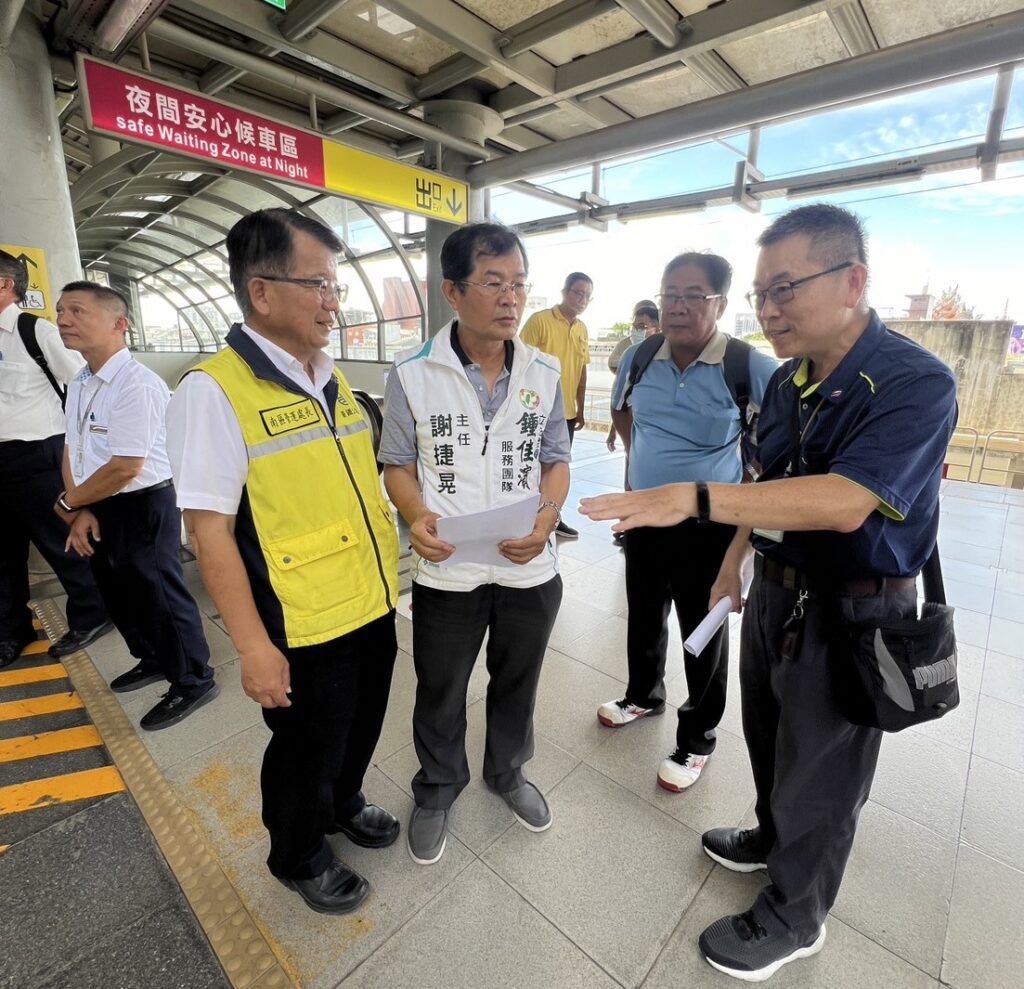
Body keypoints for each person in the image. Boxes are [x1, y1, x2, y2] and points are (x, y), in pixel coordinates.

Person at [580, 204, 957, 982]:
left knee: (825, 767)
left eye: (786, 287)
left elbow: (845, 498)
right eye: (761, 292)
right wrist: (734, 559)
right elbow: (768, 478)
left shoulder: (914, 381)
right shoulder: (789, 380)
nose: (771, 308)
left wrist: (697, 499)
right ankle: (769, 833)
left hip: (855, 607)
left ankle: (797, 913)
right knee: (773, 738)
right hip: (777, 595)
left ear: (853, 280)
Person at [165, 208, 400, 916]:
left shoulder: (331, 380)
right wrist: (253, 647)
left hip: (370, 597)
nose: (334, 302)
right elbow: (210, 533)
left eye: (335, 287)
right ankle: (297, 851)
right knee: (304, 748)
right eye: (320, 285)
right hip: (297, 621)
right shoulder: (214, 391)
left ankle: (344, 802)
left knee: (360, 725)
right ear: (261, 292)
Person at [379, 222, 570, 866]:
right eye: (493, 283)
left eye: (518, 283)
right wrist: (415, 516)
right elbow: (397, 464)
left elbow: (556, 460)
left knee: (518, 679)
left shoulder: (543, 371)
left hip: (527, 566)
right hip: (449, 569)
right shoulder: (411, 375)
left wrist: (546, 519)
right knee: (440, 685)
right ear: (453, 293)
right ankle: (436, 788)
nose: (511, 298)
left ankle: (508, 772)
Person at [596, 255, 776, 793]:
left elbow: (784, 451)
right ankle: (643, 694)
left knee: (705, 633)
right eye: (670, 293)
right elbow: (622, 411)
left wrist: (746, 537)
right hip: (646, 516)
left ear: (721, 302)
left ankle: (697, 736)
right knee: (644, 611)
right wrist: (640, 474)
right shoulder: (640, 355)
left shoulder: (749, 365)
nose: (678, 305)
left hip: (713, 524)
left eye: (694, 295)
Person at [54, 282, 216, 730]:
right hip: (96, 502)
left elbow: (126, 466)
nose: (63, 320)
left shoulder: (137, 384)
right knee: (118, 589)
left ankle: (192, 677)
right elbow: (73, 446)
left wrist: (69, 501)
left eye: (77, 311)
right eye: (61, 311)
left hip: (142, 503)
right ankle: (153, 658)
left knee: (159, 590)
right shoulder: (81, 382)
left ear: (118, 324)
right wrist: (78, 507)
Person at [0, 251, 112, 668]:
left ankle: (92, 614)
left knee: (61, 542)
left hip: (36, 453)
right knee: (3, 553)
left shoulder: (35, 332)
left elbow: (81, 381)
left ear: (5, 284)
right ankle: (10, 631)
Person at [520, 271, 593, 538]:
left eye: (586, 295)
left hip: (567, 413)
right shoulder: (540, 321)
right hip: (537, 411)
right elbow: (520, 363)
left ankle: (551, 517)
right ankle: (523, 518)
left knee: (557, 469)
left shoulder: (582, 328)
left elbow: (582, 368)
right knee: (531, 467)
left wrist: (581, 407)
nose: (581, 298)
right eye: (577, 292)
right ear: (564, 292)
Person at [605, 299, 659, 455]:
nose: (637, 330)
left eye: (642, 326)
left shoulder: (670, 352)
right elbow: (619, 400)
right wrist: (627, 445)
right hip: (634, 430)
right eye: (635, 326)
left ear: (657, 326)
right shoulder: (628, 351)